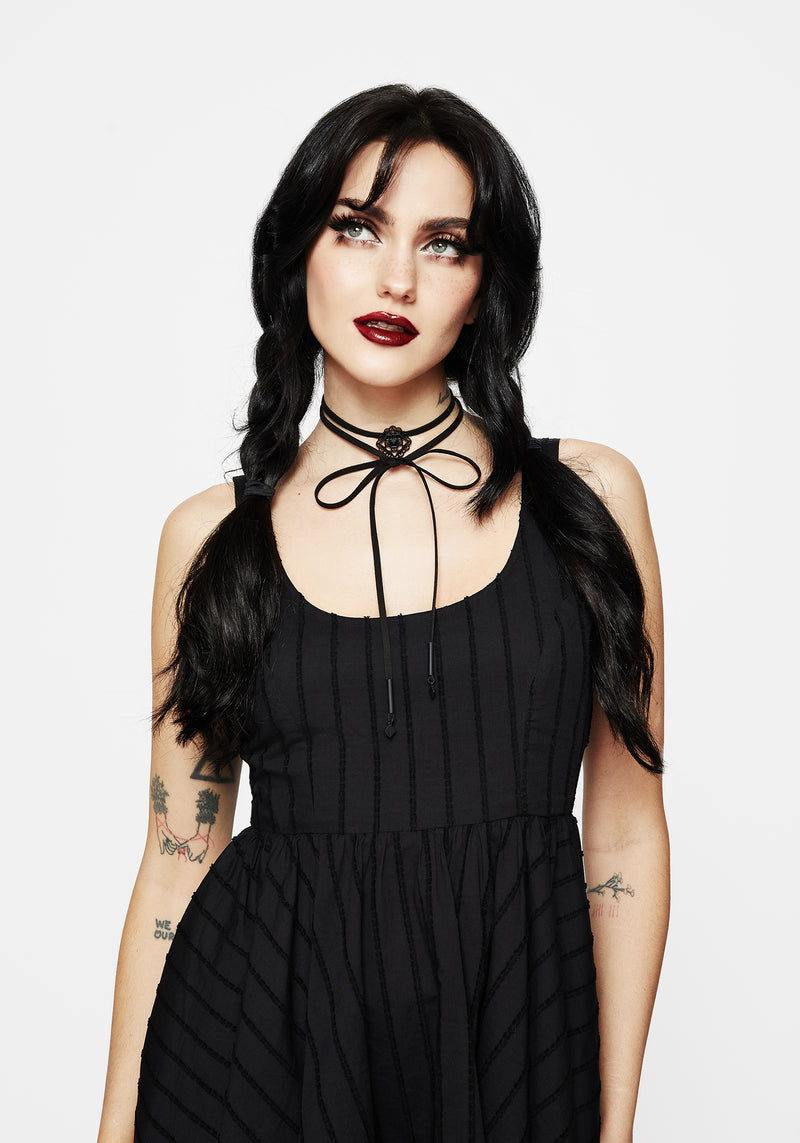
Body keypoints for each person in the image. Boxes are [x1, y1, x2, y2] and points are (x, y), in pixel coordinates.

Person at [98, 84, 669, 1143]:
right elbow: (178, 858)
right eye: (357, 227)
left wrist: (615, 1123)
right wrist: (112, 1130)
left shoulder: (587, 501)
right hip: (261, 1056)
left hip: (515, 1039)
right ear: (298, 254)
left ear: (485, 287)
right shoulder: (210, 537)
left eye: (443, 244)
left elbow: (624, 836)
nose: (396, 278)